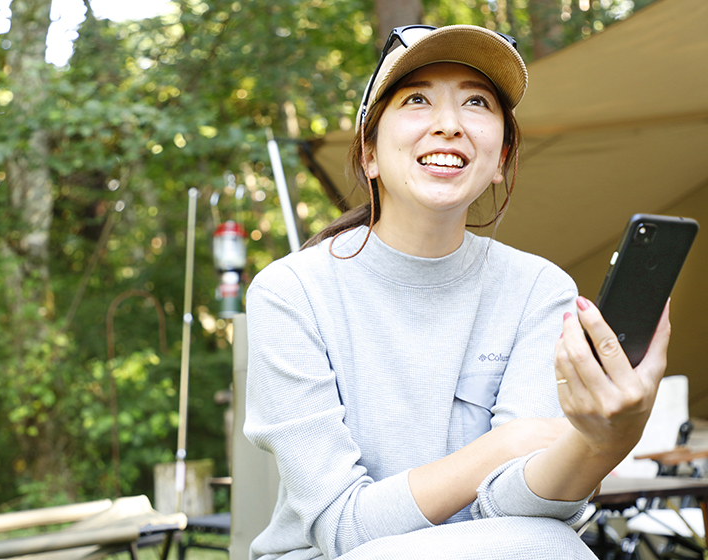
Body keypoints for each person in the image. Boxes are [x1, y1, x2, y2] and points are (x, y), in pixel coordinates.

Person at [243, 25, 670, 560]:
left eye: (476, 103)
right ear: (369, 153)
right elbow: (343, 530)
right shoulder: (291, 292)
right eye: (417, 100)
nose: (448, 124)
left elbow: (513, 510)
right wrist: (507, 444)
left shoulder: (539, 290)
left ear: (500, 161)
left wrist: (603, 442)